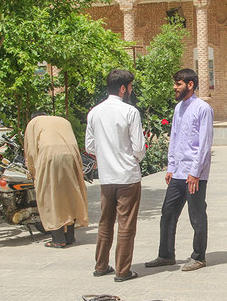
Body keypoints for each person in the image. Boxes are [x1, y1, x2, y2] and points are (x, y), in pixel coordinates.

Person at [145, 68, 214, 271]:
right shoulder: (178, 109)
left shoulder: (203, 109)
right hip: (179, 172)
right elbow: (174, 138)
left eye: (178, 84)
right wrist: (171, 166)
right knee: (168, 212)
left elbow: (204, 143)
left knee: (196, 215)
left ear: (190, 85)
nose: (174, 88)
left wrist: (195, 172)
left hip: (195, 174)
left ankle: (199, 256)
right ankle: (166, 255)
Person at [86, 69, 146, 282]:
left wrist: (106, 156)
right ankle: (123, 270)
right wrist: (132, 160)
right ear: (123, 88)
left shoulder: (95, 112)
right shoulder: (130, 112)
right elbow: (139, 147)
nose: (130, 90)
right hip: (127, 176)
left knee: (105, 221)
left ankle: (101, 265)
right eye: (130, 87)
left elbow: (90, 145)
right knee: (126, 224)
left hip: (107, 176)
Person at [24, 111, 89, 248]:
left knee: (50, 196)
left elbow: (31, 151)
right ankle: (70, 237)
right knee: (70, 196)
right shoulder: (62, 120)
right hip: (71, 156)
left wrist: (32, 172)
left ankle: (58, 239)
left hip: (49, 156)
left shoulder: (33, 123)